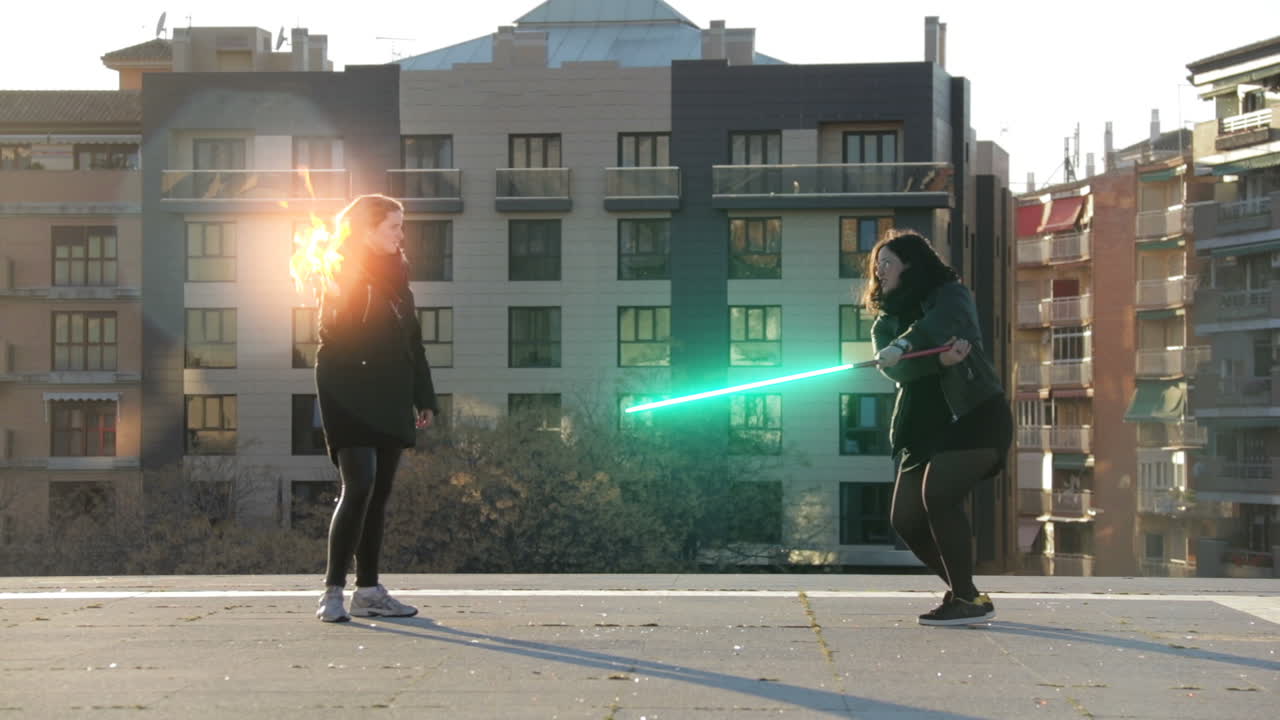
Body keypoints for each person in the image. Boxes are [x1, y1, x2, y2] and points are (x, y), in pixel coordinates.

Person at [864, 230, 1012, 626]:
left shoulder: (950, 296)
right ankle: (969, 593)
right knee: (906, 519)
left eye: (888, 263)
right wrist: (934, 361)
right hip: (921, 427)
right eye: (877, 266)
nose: (880, 272)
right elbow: (900, 374)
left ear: (911, 265)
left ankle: (965, 599)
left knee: (939, 496)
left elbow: (940, 324)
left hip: (974, 417)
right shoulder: (884, 323)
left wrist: (904, 346)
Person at [313, 194, 439, 623]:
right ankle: (332, 592)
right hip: (348, 394)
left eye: (402, 226)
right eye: (393, 226)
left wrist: (424, 398)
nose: (402, 235)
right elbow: (332, 339)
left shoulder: (399, 278)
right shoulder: (341, 272)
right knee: (359, 485)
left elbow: (413, 344)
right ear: (366, 230)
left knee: (379, 494)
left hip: (391, 395)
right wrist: (342, 293)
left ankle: (368, 591)